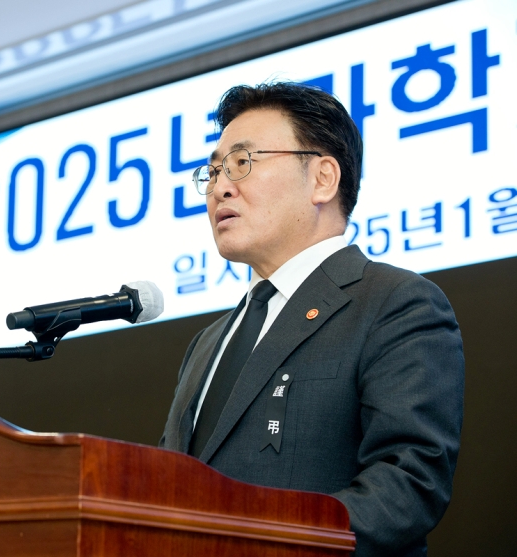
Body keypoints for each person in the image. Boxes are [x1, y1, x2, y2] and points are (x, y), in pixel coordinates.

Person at [159, 82, 464, 557]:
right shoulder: (208, 343)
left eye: (242, 162)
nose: (220, 186)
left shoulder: (394, 303)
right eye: (214, 170)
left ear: (323, 178)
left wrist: (257, 544)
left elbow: (408, 483)